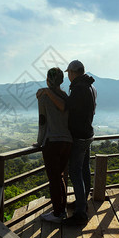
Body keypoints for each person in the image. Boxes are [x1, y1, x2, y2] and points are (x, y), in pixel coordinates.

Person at [37, 60, 97, 225]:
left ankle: (78, 213)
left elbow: (63, 107)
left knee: (74, 174)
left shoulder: (78, 88)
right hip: (84, 135)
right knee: (83, 170)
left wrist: (47, 91)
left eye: (70, 72)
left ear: (72, 72)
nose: (69, 76)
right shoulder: (90, 87)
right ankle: (81, 204)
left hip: (73, 137)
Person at [34, 67, 72, 223]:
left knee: (54, 179)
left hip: (52, 142)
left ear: (47, 79)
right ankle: (60, 209)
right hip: (67, 142)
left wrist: (39, 141)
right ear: (62, 80)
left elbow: (42, 121)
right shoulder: (66, 96)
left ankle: (58, 213)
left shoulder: (44, 97)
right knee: (60, 177)